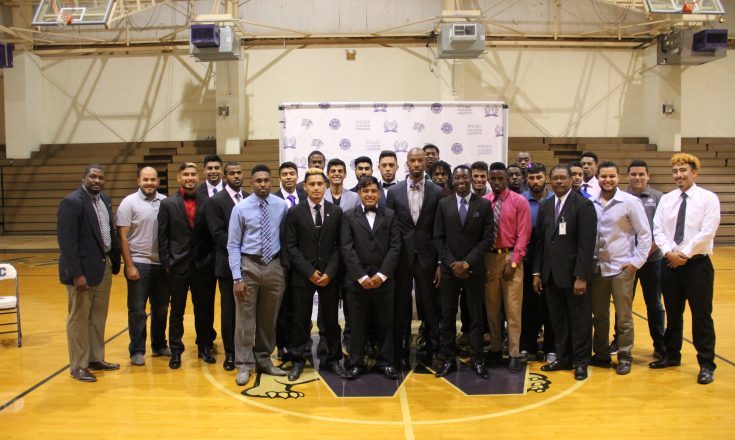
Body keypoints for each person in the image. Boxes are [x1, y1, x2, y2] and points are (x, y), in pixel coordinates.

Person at [651, 153, 720, 385]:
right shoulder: (667, 199)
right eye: (675, 171)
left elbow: (707, 231)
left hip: (697, 264)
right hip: (670, 263)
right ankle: (672, 355)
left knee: (701, 315)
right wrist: (669, 252)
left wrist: (685, 254)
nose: (678, 175)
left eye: (683, 171)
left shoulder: (708, 198)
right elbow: (658, 229)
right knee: (673, 313)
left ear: (694, 172)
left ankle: (706, 364)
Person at [58, 164, 121, 382]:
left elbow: (108, 231)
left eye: (100, 178)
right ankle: (78, 365)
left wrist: (114, 260)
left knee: (98, 316)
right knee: (79, 318)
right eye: (93, 176)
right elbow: (67, 242)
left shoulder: (104, 200)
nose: (97, 181)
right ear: (83, 177)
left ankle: (95, 358)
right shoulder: (72, 202)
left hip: (103, 266)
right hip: (82, 272)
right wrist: (76, 274)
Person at [532, 164, 597, 381]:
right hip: (551, 275)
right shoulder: (546, 205)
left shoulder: (583, 205)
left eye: (563, 178)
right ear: (550, 181)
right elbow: (541, 242)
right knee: (558, 320)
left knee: (580, 320)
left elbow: (586, 245)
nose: (559, 181)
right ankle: (563, 358)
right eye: (555, 178)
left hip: (573, 276)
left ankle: (581, 362)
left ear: (571, 180)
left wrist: (581, 276)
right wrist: (537, 272)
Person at [227, 165, 290, 386]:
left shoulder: (281, 206)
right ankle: (244, 364)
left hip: (274, 266)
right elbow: (233, 244)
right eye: (258, 181)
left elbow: (286, 237)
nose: (262, 184)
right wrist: (237, 277)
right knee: (245, 320)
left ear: (271, 182)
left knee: (269, 318)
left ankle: (264, 359)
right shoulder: (240, 208)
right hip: (249, 266)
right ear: (251, 183)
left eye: (266, 180)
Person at [588, 161, 652, 376]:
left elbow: (645, 234)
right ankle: (601, 354)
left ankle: (624, 355)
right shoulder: (591, 202)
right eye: (603, 176)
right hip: (597, 268)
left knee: (624, 317)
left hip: (621, 268)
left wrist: (636, 263)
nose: (607, 180)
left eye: (611, 176)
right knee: (599, 315)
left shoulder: (630, 202)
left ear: (618, 178)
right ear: (597, 178)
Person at [285, 168, 346, 381]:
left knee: (331, 320)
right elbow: (291, 246)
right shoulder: (294, 212)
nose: (316, 188)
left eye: (320, 184)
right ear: (305, 187)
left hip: (329, 276)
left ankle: (333, 359)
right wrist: (309, 272)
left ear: (326, 186)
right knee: (300, 320)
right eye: (312, 184)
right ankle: (298, 360)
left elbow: (340, 246)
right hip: (303, 276)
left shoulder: (336, 212)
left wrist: (329, 272)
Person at [434, 165, 493, 379]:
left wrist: (466, 263)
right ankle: (448, 359)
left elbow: (487, 239)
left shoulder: (484, 204)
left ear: (471, 180)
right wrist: (453, 264)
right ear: (453, 180)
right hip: (450, 271)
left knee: (476, 316)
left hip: (473, 270)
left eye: (464, 177)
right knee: (448, 316)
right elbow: (438, 237)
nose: (461, 180)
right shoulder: (443, 204)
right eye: (457, 177)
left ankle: (478, 359)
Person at [386, 148, 443, 367]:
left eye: (420, 160)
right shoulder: (394, 192)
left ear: (425, 163)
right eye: (413, 160)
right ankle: (399, 349)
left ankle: (433, 348)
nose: (417, 164)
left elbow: (439, 229)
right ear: (407, 163)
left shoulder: (437, 191)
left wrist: (439, 261)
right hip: (401, 257)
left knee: (429, 305)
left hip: (428, 257)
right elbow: (390, 227)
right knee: (400, 305)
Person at [341, 176, 402, 380]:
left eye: (374, 191)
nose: (369, 194)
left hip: (383, 281)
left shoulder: (390, 215)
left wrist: (382, 275)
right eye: (365, 191)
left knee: (385, 323)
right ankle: (356, 363)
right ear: (359, 193)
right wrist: (361, 276)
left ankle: (386, 362)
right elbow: (347, 248)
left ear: (379, 193)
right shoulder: (348, 216)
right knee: (357, 324)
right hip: (357, 282)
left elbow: (395, 246)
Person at [158, 162, 215, 369]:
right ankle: (176, 350)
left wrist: (210, 259)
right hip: (177, 265)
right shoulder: (167, 204)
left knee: (204, 309)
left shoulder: (208, 202)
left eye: (193, 174)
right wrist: (167, 262)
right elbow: (162, 236)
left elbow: (212, 233)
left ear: (198, 177)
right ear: (178, 178)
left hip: (203, 265)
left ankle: (205, 347)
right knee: (177, 310)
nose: (190, 178)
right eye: (186, 175)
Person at [116, 166, 169, 367]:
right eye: (145, 179)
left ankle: (159, 344)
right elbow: (122, 236)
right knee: (137, 310)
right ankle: (137, 350)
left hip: (161, 265)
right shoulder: (128, 203)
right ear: (138, 181)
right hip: (139, 263)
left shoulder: (165, 201)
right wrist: (129, 265)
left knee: (161, 308)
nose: (149, 183)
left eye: (153, 179)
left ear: (158, 182)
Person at [483, 162, 532, 372]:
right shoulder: (484, 202)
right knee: (492, 309)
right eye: (493, 178)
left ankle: (513, 352)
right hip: (489, 258)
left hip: (510, 256)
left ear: (507, 179)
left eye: (500, 178)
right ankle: (495, 348)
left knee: (513, 309)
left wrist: (514, 261)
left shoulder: (519, 201)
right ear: (488, 179)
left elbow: (524, 234)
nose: (496, 182)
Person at [206, 161, 249, 371]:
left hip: (250, 263)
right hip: (227, 264)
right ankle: (231, 353)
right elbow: (217, 233)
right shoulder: (216, 201)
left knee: (248, 310)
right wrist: (242, 246)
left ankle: (247, 349)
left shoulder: (249, 197)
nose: (236, 176)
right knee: (230, 311)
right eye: (232, 173)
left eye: (239, 172)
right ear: (225, 177)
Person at [620, 159, 666, 359]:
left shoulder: (659, 198)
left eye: (641, 174)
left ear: (648, 176)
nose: (637, 177)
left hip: (652, 260)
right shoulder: (620, 196)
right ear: (627, 176)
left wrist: (643, 254)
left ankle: (660, 343)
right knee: (623, 303)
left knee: (654, 303)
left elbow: (662, 230)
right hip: (626, 261)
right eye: (633, 174)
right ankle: (619, 341)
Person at [519, 163, 555, 363]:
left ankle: (550, 347)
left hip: (551, 259)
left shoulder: (555, 200)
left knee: (550, 306)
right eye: (532, 178)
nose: (535, 181)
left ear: (546, 178)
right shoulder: (521, 200)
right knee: (528, 306)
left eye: (539, 177)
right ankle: (527, 346)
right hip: (527, 258)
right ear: (527, 180)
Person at [273, 161, 306, 362]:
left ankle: (300, 343)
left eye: (291, 173)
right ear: (280, 177)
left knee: (300, 306)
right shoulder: (272, 199)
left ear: (297, 176)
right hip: (281, 261)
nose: (288, 177)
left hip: (303, 261)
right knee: (283, 307)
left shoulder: (306, 196)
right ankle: (282, 345)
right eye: (284, 174)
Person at [192, 154, 223, 364]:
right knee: (203, 304)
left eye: (216, 168)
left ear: (221, 170)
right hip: (204, 258)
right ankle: (204, 342)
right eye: (209, 168)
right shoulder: (196, 193)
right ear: (204, 171)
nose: (213, 171)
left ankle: (233, 342)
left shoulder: (233, 192)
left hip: (228, 257)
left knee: (230, 304)